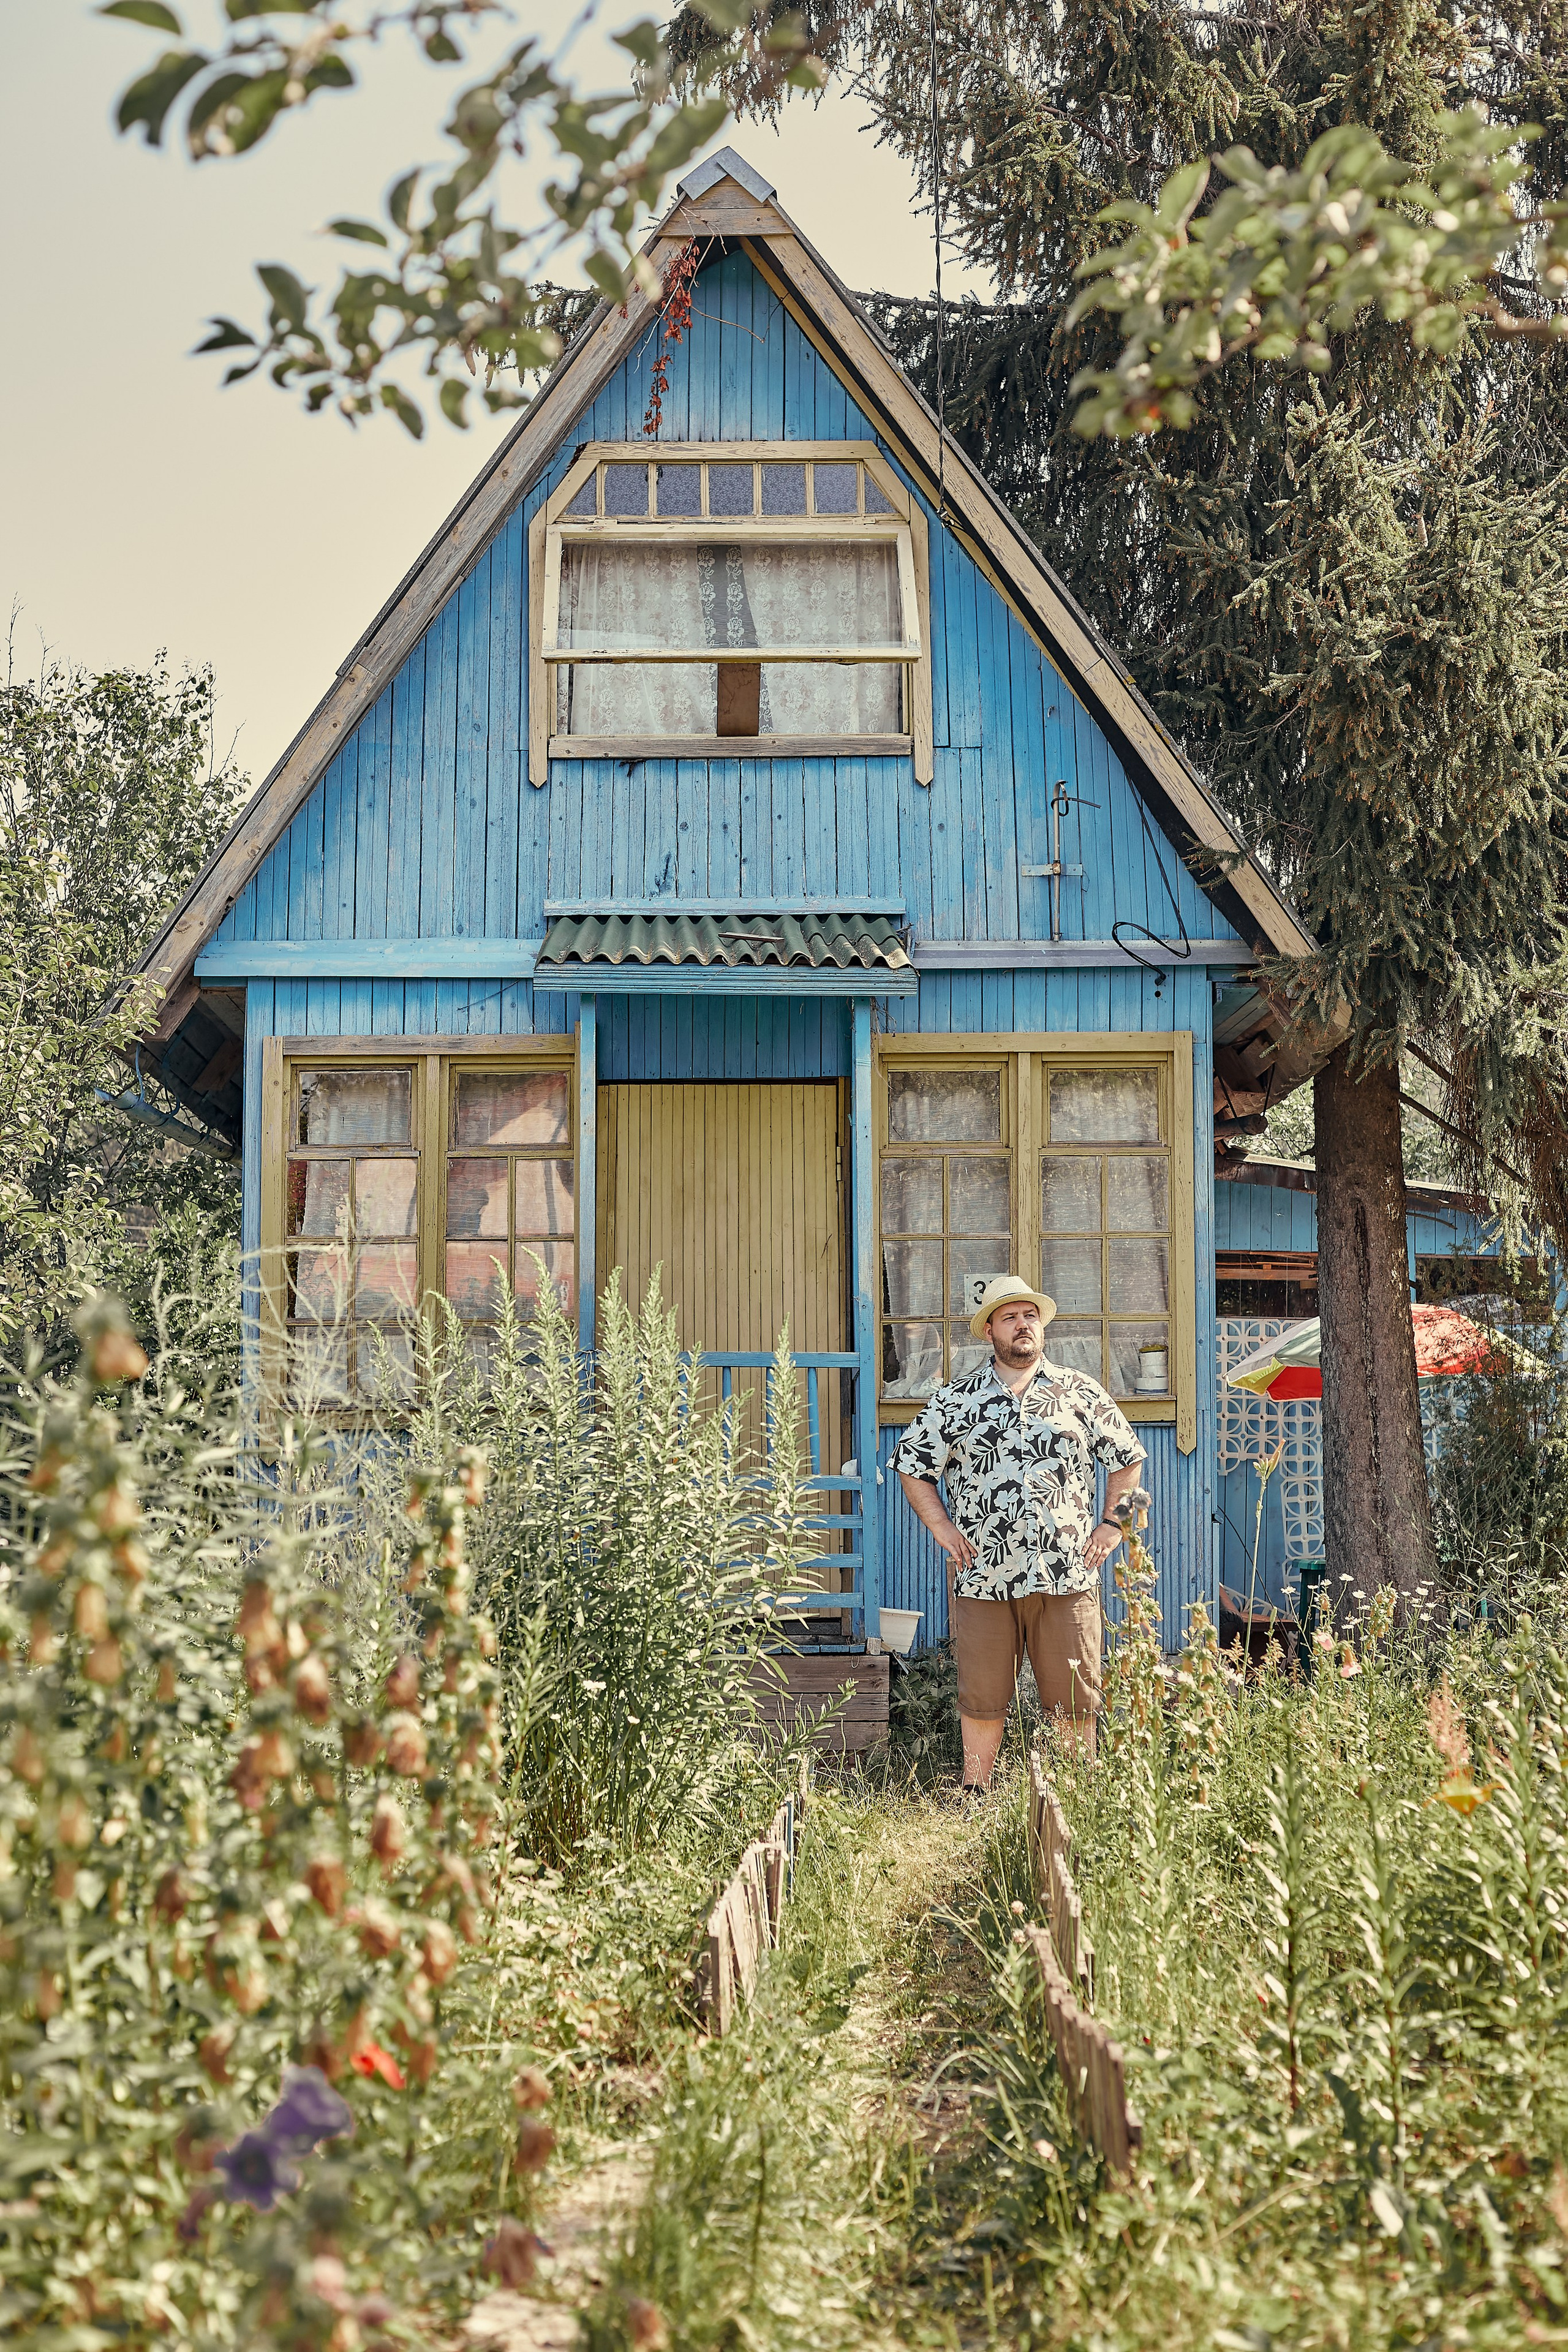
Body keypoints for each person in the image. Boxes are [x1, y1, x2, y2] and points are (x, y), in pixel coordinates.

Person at [892, 1273, 1147, 1787]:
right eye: (1010, 1317)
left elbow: (1128, 1461)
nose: (1023, 1325)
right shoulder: (955, 1401)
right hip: (986, 1574)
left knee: (1075, 1698)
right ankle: (975, 1791)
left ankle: (1077, 1795)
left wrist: (1113, 1528)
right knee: (983, 1697)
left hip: (1068, 1574)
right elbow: (911, 1465)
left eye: (1030, 1315)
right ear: (989, 1331)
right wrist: (940, 1526)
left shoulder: (1079, 1391)